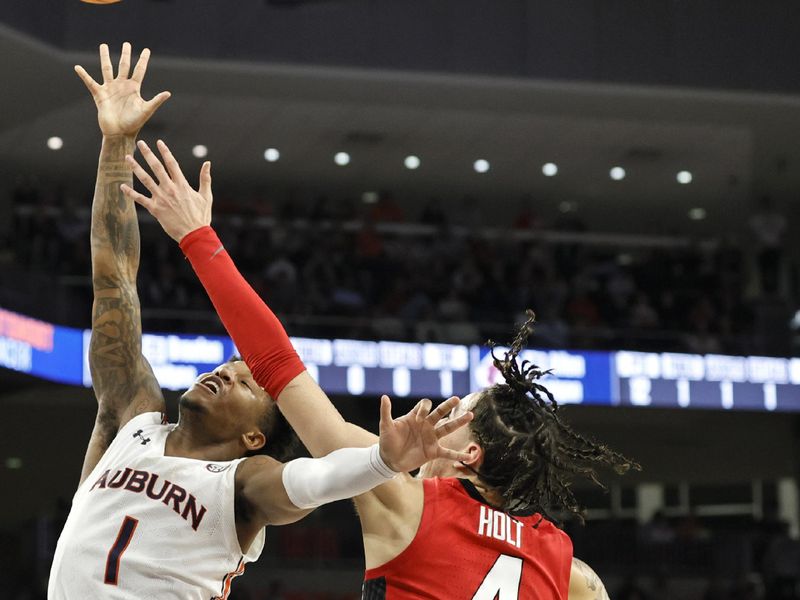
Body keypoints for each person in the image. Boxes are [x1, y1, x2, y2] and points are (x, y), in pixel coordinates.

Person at [124, 136, 638, 599]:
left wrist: (197, 239)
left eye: (456, 412)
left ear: (470, 454)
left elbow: (278, 366)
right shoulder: (572, 572)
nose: (441, 409)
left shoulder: (407, 501)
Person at [48, 43, 473, 600]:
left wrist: (381, 461)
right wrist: (114, 145)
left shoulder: (242, 485)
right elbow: (113, 279)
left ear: (255, 436)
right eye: (229, 367)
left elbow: (312, 481)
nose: (226, 373)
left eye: (247, 382)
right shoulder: (132, 419)